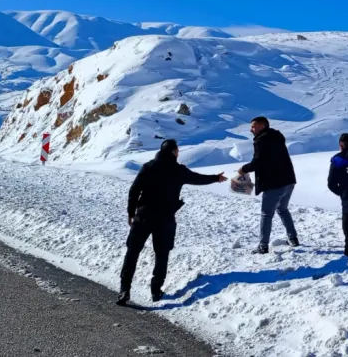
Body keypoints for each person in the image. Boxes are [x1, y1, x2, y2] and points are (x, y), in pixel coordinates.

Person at [117, 139, 227, 306]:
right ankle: (156, 290)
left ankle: (124, 289)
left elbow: (134, 190)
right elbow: (197, 179)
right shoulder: (178, 170)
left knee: (132, 252)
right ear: (174, 151)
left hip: (144, 215)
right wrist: (216, 178)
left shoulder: (148, 166)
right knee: (162, 254)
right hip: (165, 218)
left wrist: (131, 212)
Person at [238, 116, 299, 254]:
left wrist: (244, 169)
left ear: (262, 126)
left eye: (253, 126)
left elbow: (258, 162)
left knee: (266, 215)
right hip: (288, 180)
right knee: (283, 209)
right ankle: (293, 238)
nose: (251, 129)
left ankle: (263, 246)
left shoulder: (261, 140)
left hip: (273, 183)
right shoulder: (277, 136)